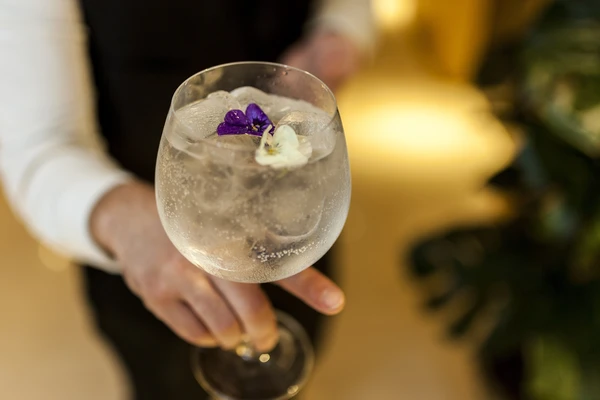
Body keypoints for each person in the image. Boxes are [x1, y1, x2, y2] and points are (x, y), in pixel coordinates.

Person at [0, 0, 375, 398]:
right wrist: (120, 218)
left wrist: (340, 30)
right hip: (158, 262)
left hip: (295, 225)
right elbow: (39, 143)